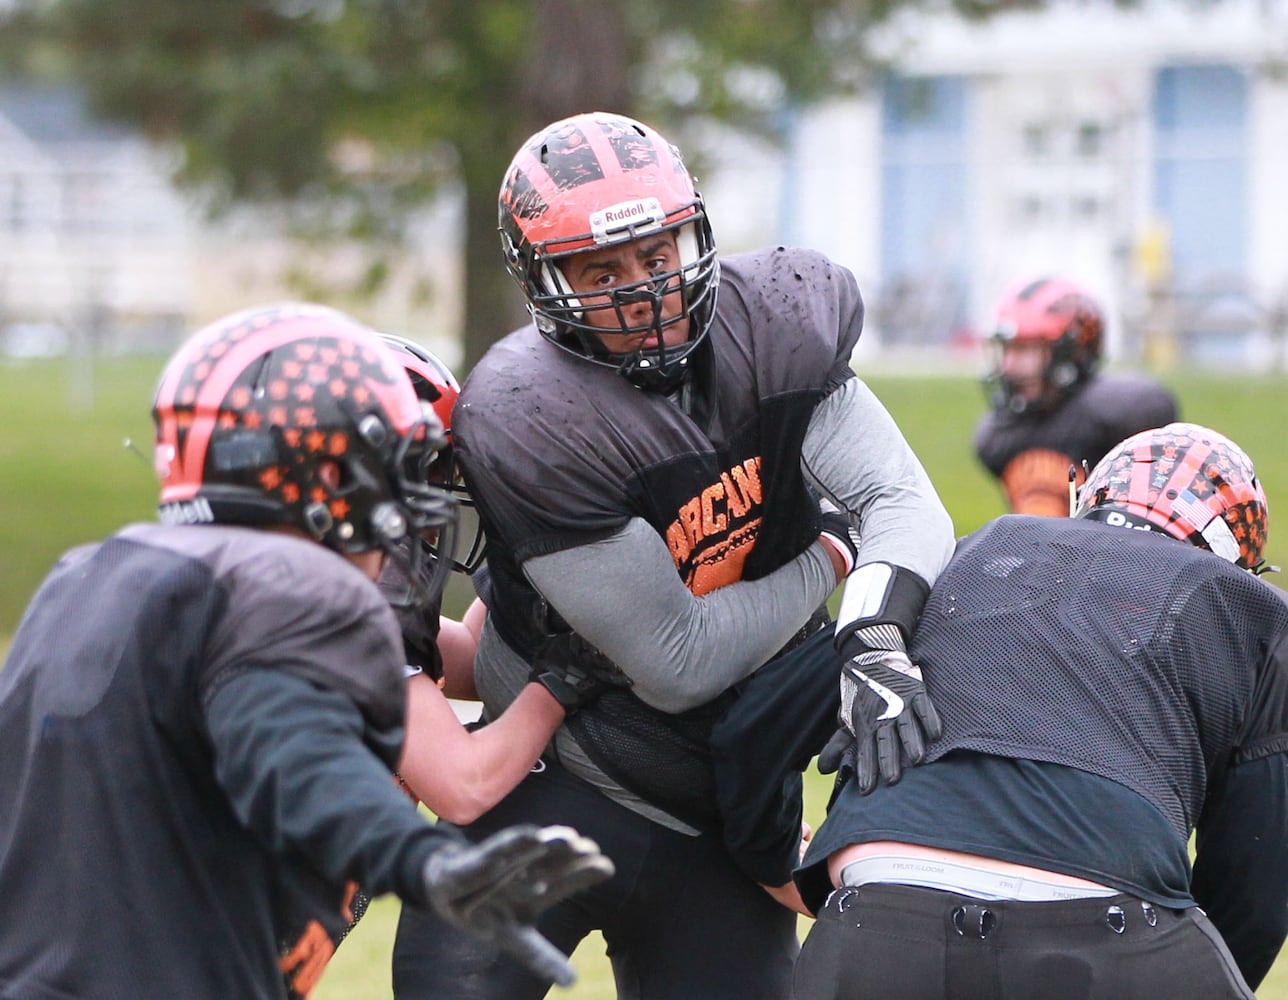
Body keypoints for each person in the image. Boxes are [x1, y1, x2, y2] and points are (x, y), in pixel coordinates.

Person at [391, 111, 956, 999]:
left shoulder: (775, 321)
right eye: (601, 270)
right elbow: (678, 660)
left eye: (657, 255)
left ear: (696, 232)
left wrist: (876, 635)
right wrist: (835, 557)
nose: (641, 290)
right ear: (544, 281)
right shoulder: (528, 415)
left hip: (717, 808)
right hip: (555, 783)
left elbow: (908, 506)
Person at [0, 302, 614, 1000]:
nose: (415, 516)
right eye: (396, 476)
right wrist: (421, 859)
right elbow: (299, 756)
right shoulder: (289, 588)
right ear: (327, 476)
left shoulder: (86, 573)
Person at [793, 421, 1288, 999]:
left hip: (871, 912)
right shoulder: (1250, 610)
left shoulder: (979, 550)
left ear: (1093, 493)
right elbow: (1253, 886)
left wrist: (770, 855)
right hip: (1107, 924)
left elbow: (759, 717)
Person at [973, 276, 1178, 516]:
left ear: (1073, 350)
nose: (1009, 366)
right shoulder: (1001, 436)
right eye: (1007, 350)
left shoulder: (1115, 413)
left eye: (1025, 350)